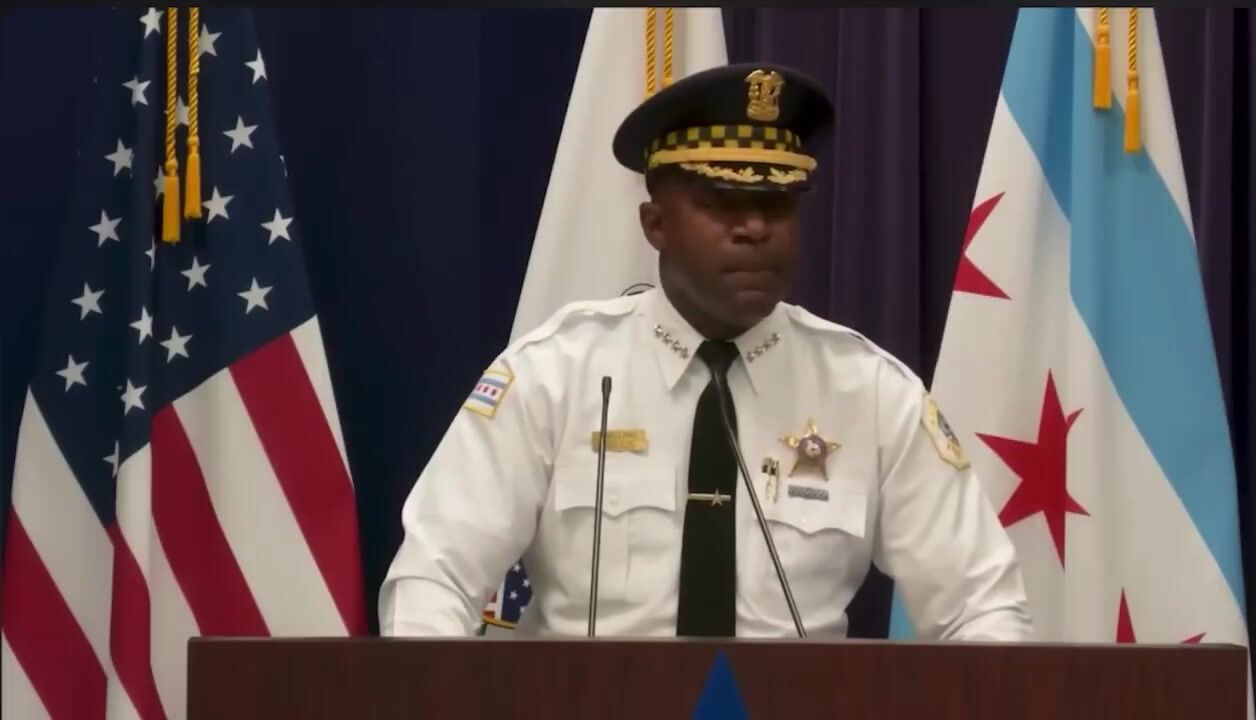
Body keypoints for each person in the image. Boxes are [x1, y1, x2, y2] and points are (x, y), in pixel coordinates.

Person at [378, 62, 1034, 640]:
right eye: (724, 203)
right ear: (655, 224)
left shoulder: (870, 392)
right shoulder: (556, 373)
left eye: (777, 205)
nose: (755, 228)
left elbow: (982, 609)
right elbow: (432, 580)